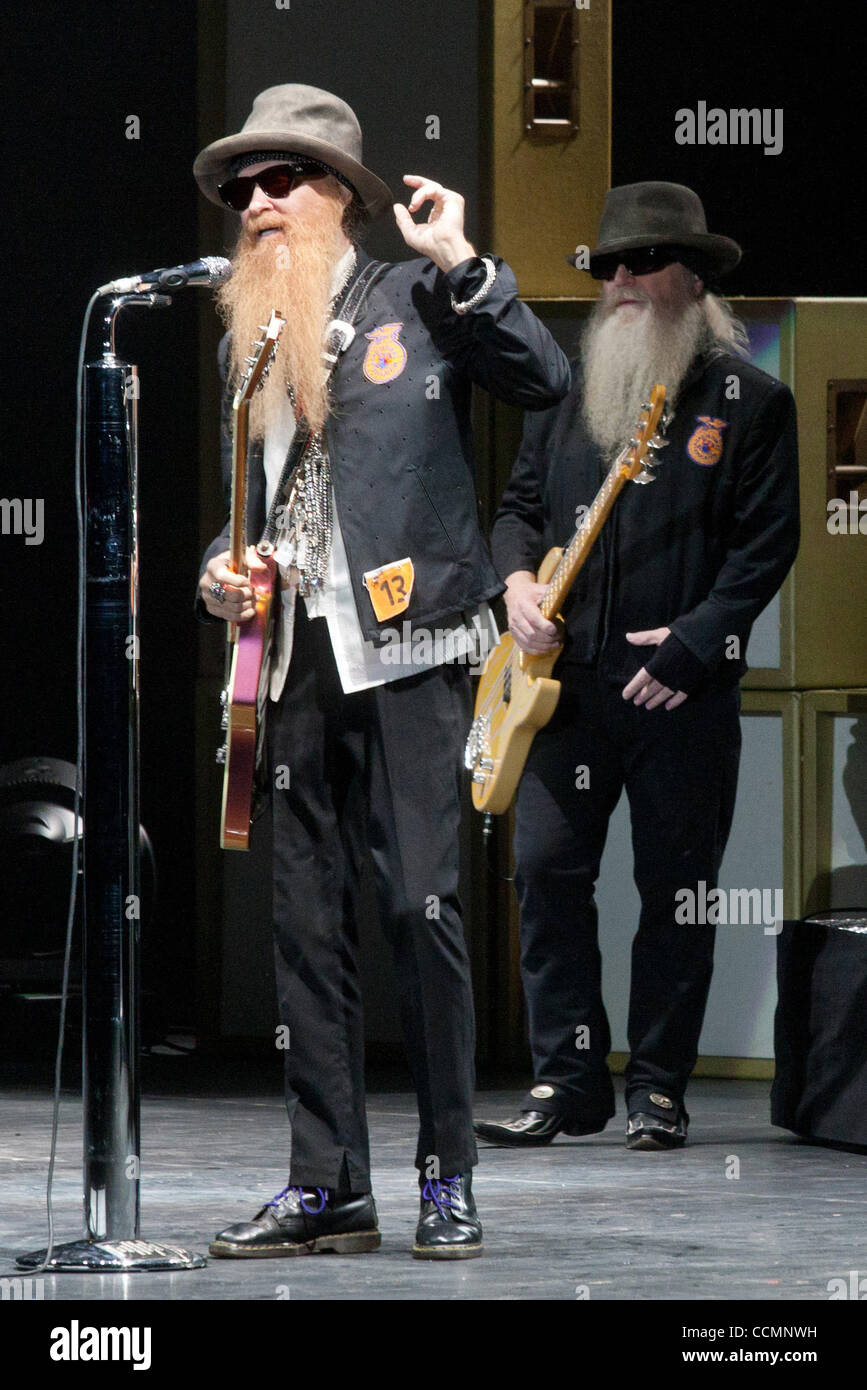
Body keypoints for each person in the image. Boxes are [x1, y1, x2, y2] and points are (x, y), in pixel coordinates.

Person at [193, 84, 570, 1258]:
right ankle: (327, 1182)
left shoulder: (418, 293)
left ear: (340, 195)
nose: (256, 203)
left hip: (407, 652)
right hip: (294, 656)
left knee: (425, 907)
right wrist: (222, 561)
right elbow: (250, 507)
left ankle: (446, 1174)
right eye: (242, 187)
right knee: (307, 925)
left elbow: (542, 375)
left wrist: (463, 256)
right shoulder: (245, 338)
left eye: (280, 180)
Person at [473, 182, 799, 1152]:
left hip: (679, 693)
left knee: (676, 892)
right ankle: (567, 1079)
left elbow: (765, 547)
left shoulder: (754, 404)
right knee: (545, 874)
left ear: (692, 278)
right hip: (563, 688)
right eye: (609, 265)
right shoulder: (564, 395)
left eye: (643, 262)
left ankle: (657, 1086)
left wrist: (698, 647)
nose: (620, 282)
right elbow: (516, 509)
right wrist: (517, 583)